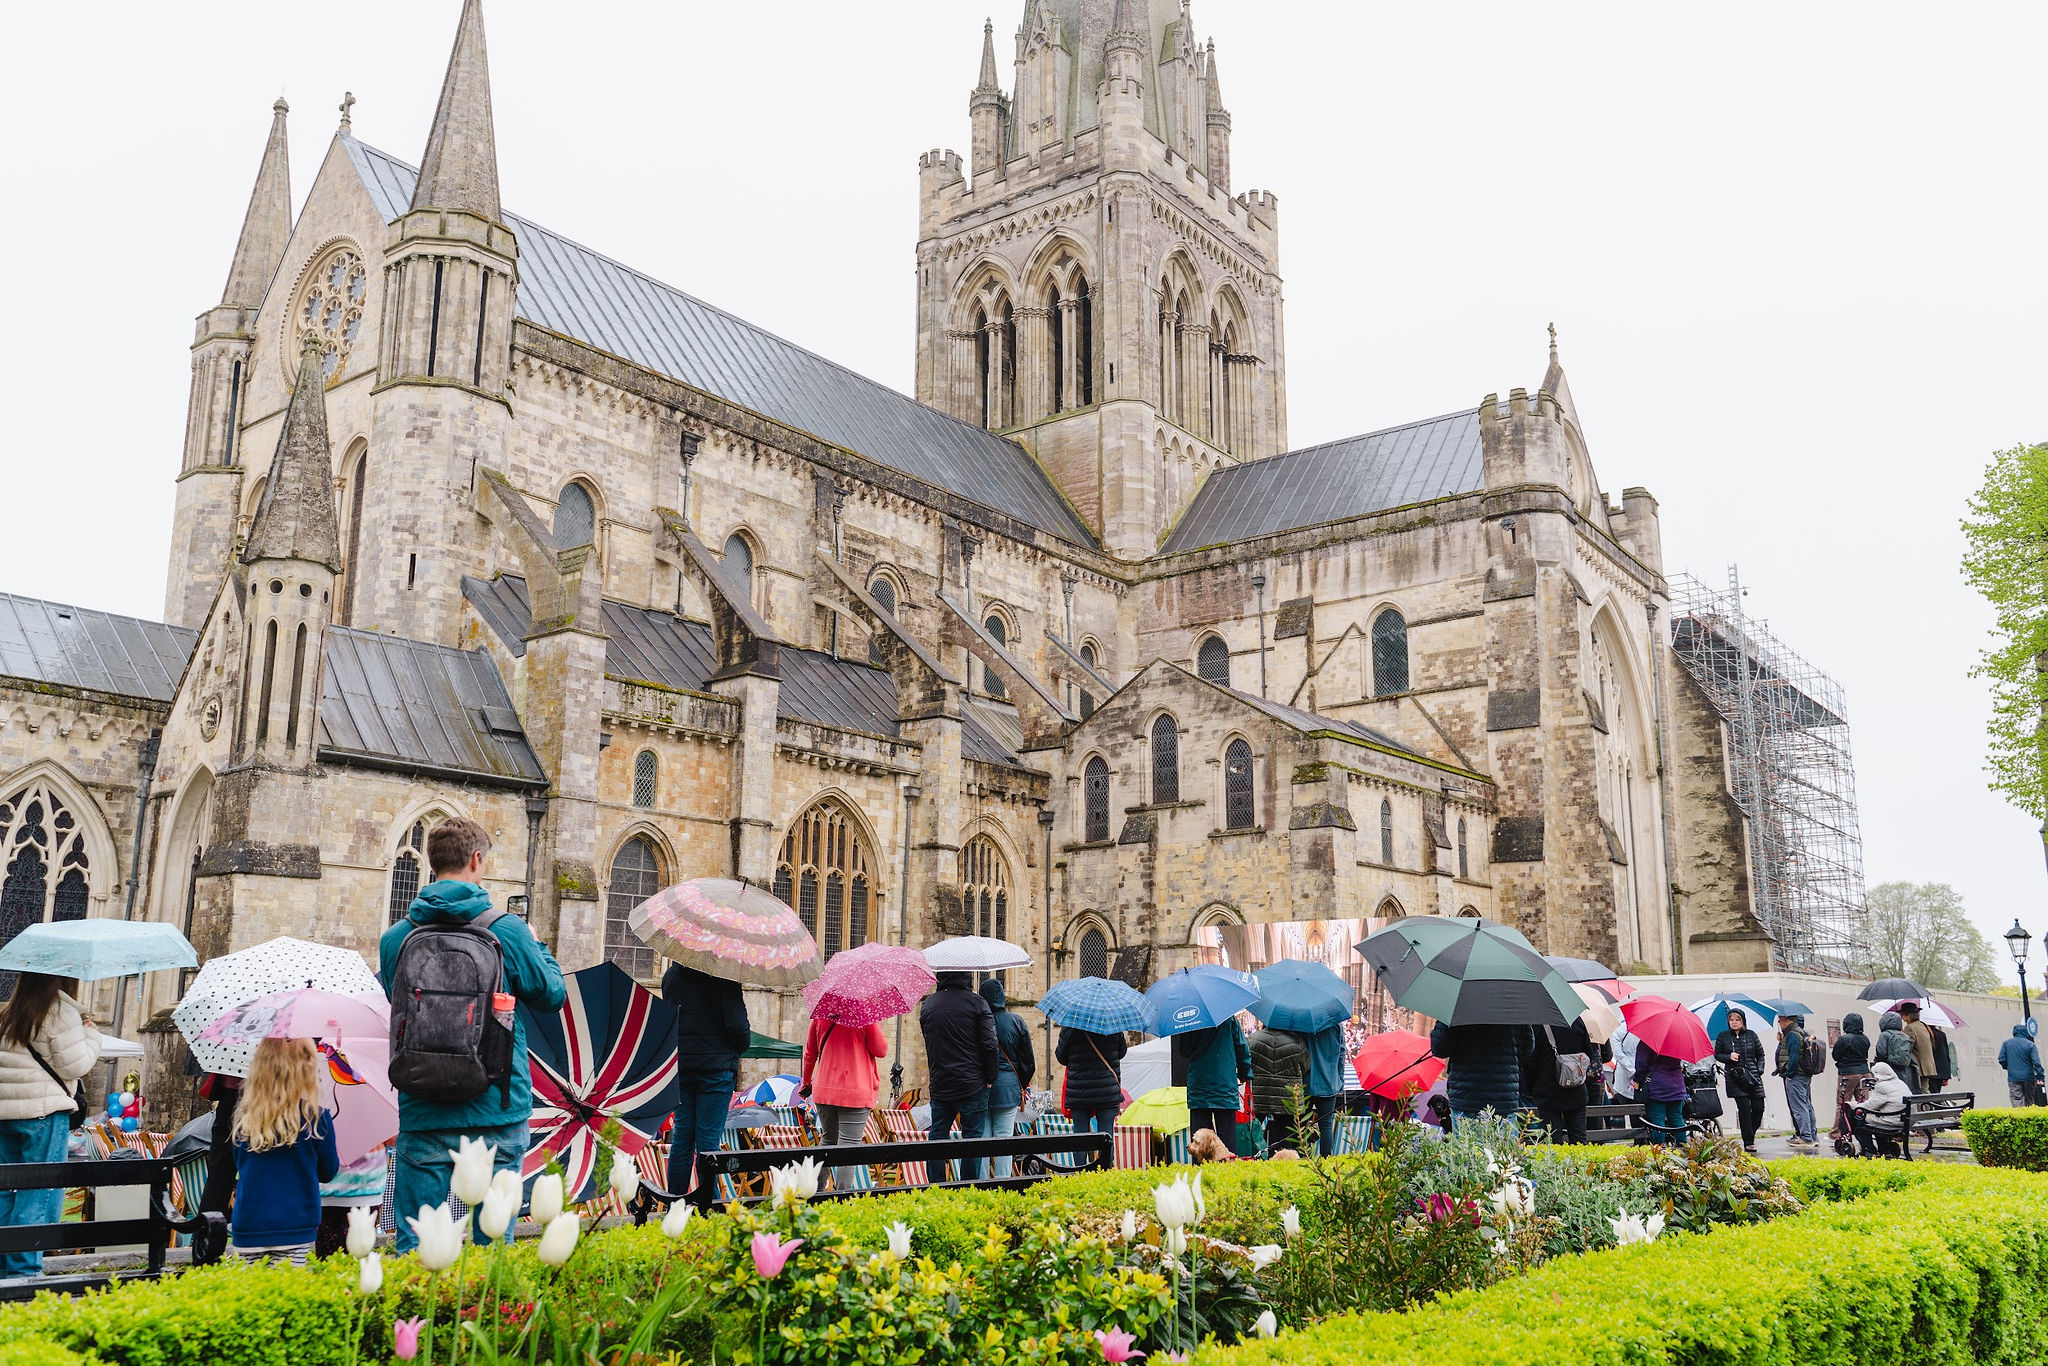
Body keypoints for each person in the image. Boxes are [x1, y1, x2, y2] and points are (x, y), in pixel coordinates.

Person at [380, 817, 566, 1252]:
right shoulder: (507, 931)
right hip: (496, 1106)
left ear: (432, 861)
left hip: (423, 1107)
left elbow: (399, 1006)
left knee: (416, 1248)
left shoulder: (396, 939)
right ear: (476, 860)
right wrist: (535, 944)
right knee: (492, 1247)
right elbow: (552, 995)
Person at [0, 972, 101, 1278]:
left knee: (5, 1192)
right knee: (40, 1193)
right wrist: (92, 1036)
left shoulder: (7, 1014)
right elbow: (76, 1065)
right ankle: (24, 1272)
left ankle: (5, 1266)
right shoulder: (59, 1012)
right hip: (43, 1115)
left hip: (5, 1114)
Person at [229, 1037, 340, 1264]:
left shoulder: (245, 1120)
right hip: (296, 1224)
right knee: (289, 1294)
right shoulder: (315, 1118)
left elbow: (240, 1163)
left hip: (249, 1224)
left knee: (251, 1295)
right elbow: (328, 1172)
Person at [666, 957, 751, 1201]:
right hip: (716, 1070)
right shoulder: (723, 977)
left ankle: (675, 1204)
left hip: (683, 1066)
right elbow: (738, 1028)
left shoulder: (671, 977)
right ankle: (709, 1206)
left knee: (682, 1138)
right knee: (708, 1142)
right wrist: (740, 1045)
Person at [919, 971, 998, 1180]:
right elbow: (990, 1045)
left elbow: (928, 1041)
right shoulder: (977, 1004)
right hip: (972, 1084)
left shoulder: (929, 1005)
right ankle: (968, 1188)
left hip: (941, 1083)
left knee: (937, 1137)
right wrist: (990, 1077)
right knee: (972, 1139)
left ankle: (936, 1188)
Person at [800, 1011, 887, 1192]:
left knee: (828, 1141)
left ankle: (815, 1193)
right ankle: (841, 1199)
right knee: (848, 1148)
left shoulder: (820, 1016)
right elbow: (881, 1050)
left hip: (824, 1089)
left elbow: (810, 1053)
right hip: (855, 1091)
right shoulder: (865, 1015)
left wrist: (806, 1081)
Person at [979, 979, 1035, 1179]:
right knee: (1004, 1140)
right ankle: (1003, 1185)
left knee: (982, 1141)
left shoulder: (976, 1021)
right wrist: (1019, 1083)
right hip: (1008, 1088)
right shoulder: (1016, 1021)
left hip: (981, 1088)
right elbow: (1028, 1062)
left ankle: (982, 1185)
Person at [1427, 1021, 1533, 1121]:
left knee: (1466, 1139)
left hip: (1467, 1096)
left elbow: (1440, 1048)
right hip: (1504, 1098)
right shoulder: (1517, 1005)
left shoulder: (1458, 1006)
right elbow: (1527, 1050)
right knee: (1502, 1139)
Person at [1180, 1017, 1253, 1153]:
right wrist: (1245, 1072)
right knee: (1227, 1144)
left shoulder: (1190, 1018)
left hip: (1199, 1085)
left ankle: (1200, 1173)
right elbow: (1242, 1047)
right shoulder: (1227, 1018)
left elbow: (1184, 1051)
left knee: (1199, 1143)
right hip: (1224, 1084)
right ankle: (1227, 1172)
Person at [1524, 1015, 1597, 1144]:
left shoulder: (1538, 1023)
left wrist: (1533, 1087)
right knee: (1579, 1141)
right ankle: (1580, 1165)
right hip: (1576, 1090)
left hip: (1547, 1092)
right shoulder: (1576, 1020)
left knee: (1553, 1143)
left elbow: (1530, 1062)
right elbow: (1589, 1053)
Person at [315, 1141, 388, 1259]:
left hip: (326, 1187)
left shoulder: (319, 1122)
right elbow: (393, 1140)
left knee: (326, 1263)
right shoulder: (378, 1122)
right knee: (359, 1258)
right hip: (367, 1186)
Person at [1056, 1025, 1127, 1137]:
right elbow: (1122, 1052)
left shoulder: (1071, 1026)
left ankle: (1082, 1155)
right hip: (1107, 1089)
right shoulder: (1113, 1025)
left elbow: (1061, 1057)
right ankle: (1105, 1155)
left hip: (1079, 1090)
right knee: (1106, 1135)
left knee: (1080, 1136)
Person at [1713, 1009, 1767, 1153]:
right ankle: (1748, 1142)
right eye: (1731, 1020)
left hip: (1753, 1077)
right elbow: (1717, 1054)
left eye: (1737, 1019)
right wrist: (1728, 1056)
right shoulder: (1723, 1036)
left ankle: (1750, 1133)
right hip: (1735, 1078)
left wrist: (1759, 1069)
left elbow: (1761, 1054)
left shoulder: (1751, 1035)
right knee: (1744, 1110)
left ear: (1742, 1021)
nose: (1734, 1022)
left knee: (1758, 1108)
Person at [1249, 1025, 1308, 1154]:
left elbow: (1247, 1063)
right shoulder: (1297, 1042)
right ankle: (1284, 1164)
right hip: (1286, 1096)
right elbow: (1305, 1066)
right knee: (1285, 1135)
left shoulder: (1254, 1039)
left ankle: (1252, 1158)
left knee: (1252, 1129)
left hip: (1260, 1093)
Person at [1830, 1012, 1874, 1155]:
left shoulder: (1844, 1039)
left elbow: (1835, 1055)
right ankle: (1865, 1129)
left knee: (1842, 1103)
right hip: (1864, 1073)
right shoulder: (1865, 1039)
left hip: (1847, 1073)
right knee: (1863, 1104)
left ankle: (1837, 1132)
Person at [1773, 1015, 1819, 1150]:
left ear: (1787, 1020)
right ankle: (1812, 1136)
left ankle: (1805, 1137)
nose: (1779, 1022)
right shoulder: (1801, 1032)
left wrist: (1789, 1074)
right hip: (1805, 1075)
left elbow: (1793, 1058)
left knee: (1799, 1107)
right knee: (1807, 1105)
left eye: (1780, 1020)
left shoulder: (1792, 1035)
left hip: (1796, 1076)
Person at [1302, 1021, 1347, 1158]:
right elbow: (1342, 1053)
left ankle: (1301, 1158)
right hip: (1329, 1083)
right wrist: (1340, 1081)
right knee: (1326, 1126)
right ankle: (1326, 1160)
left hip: (1306, 1083)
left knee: (1302, 1124)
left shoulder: (1303, 1023)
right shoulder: (1336, 1025)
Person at [1849, 1061, 1909, 1158]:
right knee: (1876, 1118)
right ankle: (1885, 1149)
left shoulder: (1882, 1086)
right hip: (1906, 1120)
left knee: (1858, 1118)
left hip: (1893, 1121)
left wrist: (1855, 1105)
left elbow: (1870, 1106)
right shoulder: (1900, 1083)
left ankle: (1870, 1150)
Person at [1634, 1037, 1688, 1145]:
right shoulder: (1677, 1039)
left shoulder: (1648, 1040)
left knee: (1657, 1120)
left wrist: (1638, 1079)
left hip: (1657, 1085)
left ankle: (1659, 1150)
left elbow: (1641, 1063)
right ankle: (1683, 1148)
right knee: (1677, 1118)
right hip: (1677, 1084)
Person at [1997, 1024, 2043, 1109]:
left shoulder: (2006, 1044)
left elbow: (2001, 1059)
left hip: (2014, 1077)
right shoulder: (2030, 1044)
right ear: (2026, 1032)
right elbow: (2036, 1062)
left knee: (2016, 1100)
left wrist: (2009, 1067)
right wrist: (2040, 1077)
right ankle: (2029, 1120)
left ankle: (2020, 1120)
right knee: (2029, 1100)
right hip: (2029, 1077)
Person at [1899, 1003, 1936, 1098]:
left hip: (1918, 1066)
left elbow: (1906, 1046)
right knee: (1925, 1090)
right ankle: (1928, 1109)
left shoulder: (1909, 1028)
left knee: (1918, 1093)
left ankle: (1924, 1111)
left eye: (1902, 1014)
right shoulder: (1923, 1025)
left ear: (1908, 1016)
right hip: (1928, 1065)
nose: (1901, 1017)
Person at [1876, 1011, 1918, 1093]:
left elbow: (1881, 1053)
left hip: (1889, 1070)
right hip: (1905, 1071)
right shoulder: (1904, 1036)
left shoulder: (1884, 1035)